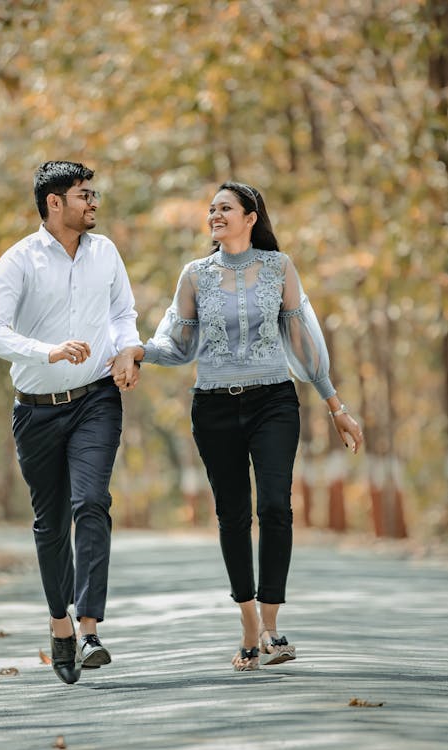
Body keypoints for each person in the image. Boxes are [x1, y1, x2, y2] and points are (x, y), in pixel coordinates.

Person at [110, 181, 363, 672]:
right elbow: (177, 343)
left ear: (251, 216)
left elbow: (304, 342)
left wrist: (336, 406)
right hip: (214, 408)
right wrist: (139, 349)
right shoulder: (195, 275)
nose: (215, 215)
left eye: (225, 208)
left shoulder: (279, 267)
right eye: (211, 210)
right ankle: (248, 621)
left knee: (275, 505)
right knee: (232, 515)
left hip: (273, 401)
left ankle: (271, 625)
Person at [0, 160, 142, 685]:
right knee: (51, 526)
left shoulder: (107, 253)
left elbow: (123, 314)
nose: (93, 202)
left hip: (97, 397)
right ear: (54, 203)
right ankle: (60, 625)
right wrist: (48, 352)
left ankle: (90, 628)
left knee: (91, 501)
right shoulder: (18, 262)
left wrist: (125, 350)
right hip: (36, 410)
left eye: (94, 194)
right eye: (84, 194)